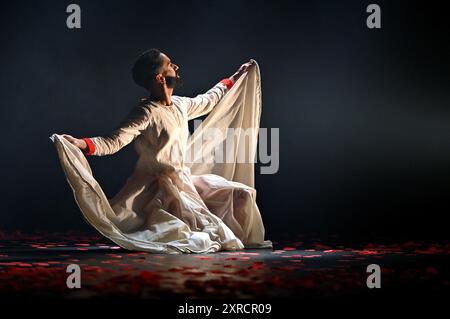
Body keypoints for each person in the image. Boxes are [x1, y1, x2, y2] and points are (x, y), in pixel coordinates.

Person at [59, 49, 272, 253]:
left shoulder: (180, 104)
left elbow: (209, 99)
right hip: (160, 189)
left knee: (242, 195)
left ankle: (245, 240)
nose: (176, 67)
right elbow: (113, 141)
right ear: (160, 78)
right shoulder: (146, 112)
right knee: (194, 232)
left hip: (185, 180)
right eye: (170, 65)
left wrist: (237, 76)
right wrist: (81, 144)